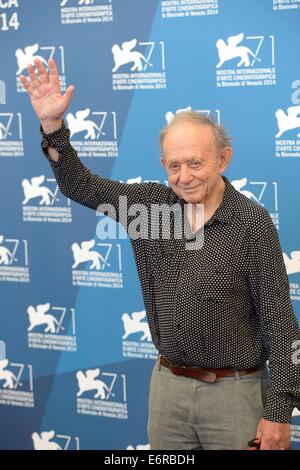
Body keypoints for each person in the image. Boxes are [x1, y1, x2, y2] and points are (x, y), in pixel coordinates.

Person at [20, 58, 300, 450]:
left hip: (236, 395)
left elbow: (280, 323)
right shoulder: (149, 209)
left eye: (195, 163)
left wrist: (278, 412)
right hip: (167, 391)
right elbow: (78, 185)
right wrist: (52, 126)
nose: (184, 176)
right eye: (174, 165)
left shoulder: (251, 222)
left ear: (223, 159)